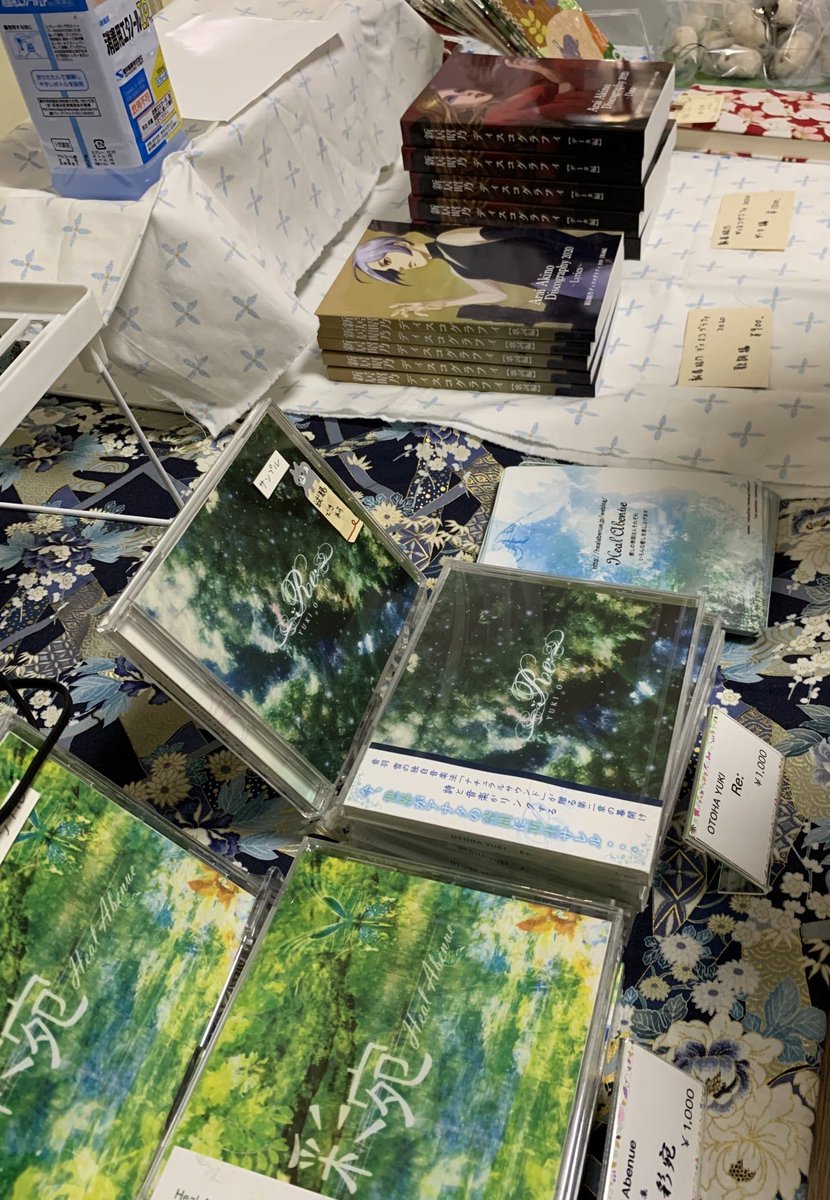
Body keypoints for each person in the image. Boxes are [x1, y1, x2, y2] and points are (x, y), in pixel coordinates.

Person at [351, 225, 612, 324]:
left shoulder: (449, 239)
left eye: (387, 261)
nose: (397, 268)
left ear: (396, 244)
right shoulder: (456, 268)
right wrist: (439, 303)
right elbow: (495, 294)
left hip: (578, 262)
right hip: (565, 285)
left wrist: (585, 250)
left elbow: (524, 230)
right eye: (389, 270)